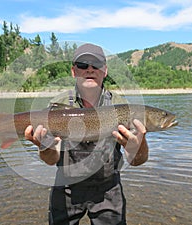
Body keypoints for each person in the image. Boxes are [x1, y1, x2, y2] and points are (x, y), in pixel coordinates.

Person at [24, 43, 149, 225]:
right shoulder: (57, 106)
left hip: (108, 189)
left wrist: (140, 144)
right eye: (83, 64)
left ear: (105, 70)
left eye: (96, 64)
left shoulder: (122, 106)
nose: (90, 69)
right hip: (66, 186)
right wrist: (45, 146)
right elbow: (51, 159)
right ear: (74, 71)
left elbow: (137, 161)